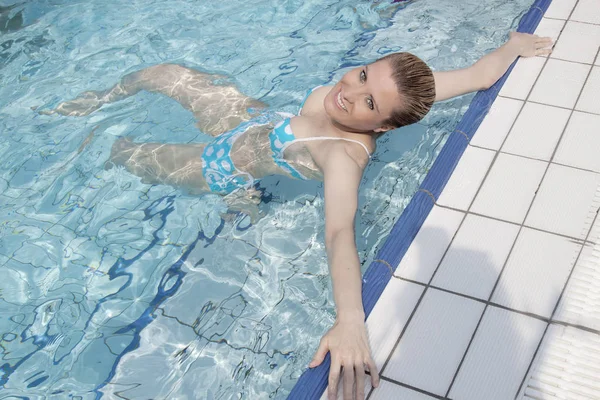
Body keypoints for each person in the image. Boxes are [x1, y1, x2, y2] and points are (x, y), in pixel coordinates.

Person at [50, 32, 552, 400]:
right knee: (162, 74)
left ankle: (88, 146)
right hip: (258, 120)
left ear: (383, 125)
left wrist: (350, 319)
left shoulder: (343, 157)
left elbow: (338, 233)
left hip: (224, 166)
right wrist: (511, 48)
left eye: (368, 101)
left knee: (123, 152)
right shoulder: (394, 90)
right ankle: (93, 101)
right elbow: (475, 76)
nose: (350, 93)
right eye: (361, 75)